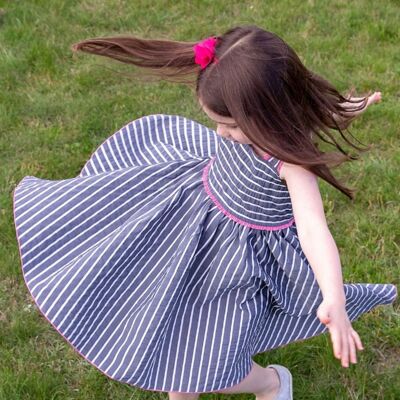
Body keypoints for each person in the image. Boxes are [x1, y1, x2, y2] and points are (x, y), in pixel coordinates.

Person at [12, 25, 397, 400]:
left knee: (210, 357)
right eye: (216, 121)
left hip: (236, 263)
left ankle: (270, 384)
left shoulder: (291, 163)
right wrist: (349, 104)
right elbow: (305, 103)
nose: (219, 133)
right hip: (193, 224)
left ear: (266, 114)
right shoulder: (269, 115)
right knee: (178, 339)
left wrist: (333, 297)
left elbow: (313, 228)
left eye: (229, 125)